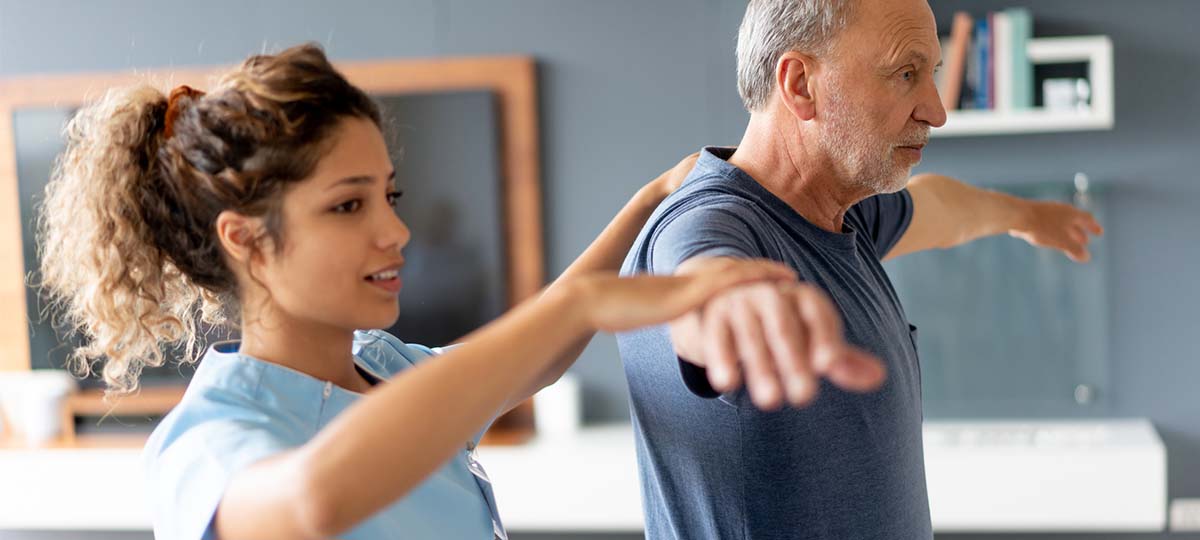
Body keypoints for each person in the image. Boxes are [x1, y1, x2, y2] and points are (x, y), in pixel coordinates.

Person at [35, 44, 860, 540]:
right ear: (247, 239)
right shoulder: (210, 439)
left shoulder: (383, 366)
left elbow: (521, 365)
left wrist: (647, 205)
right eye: (347, 205)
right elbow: (308, 503)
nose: (394, 232)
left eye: (387, 196)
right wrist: (582, 307)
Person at [616, 0, 1105, 538]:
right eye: (906, 73)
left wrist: (1027, 215)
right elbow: (701, 277)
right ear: (800, 84)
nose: (936, 111)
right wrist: (735, 308)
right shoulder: (711, 220)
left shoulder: (838, 216)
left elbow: (939, 208)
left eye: (932, 74)